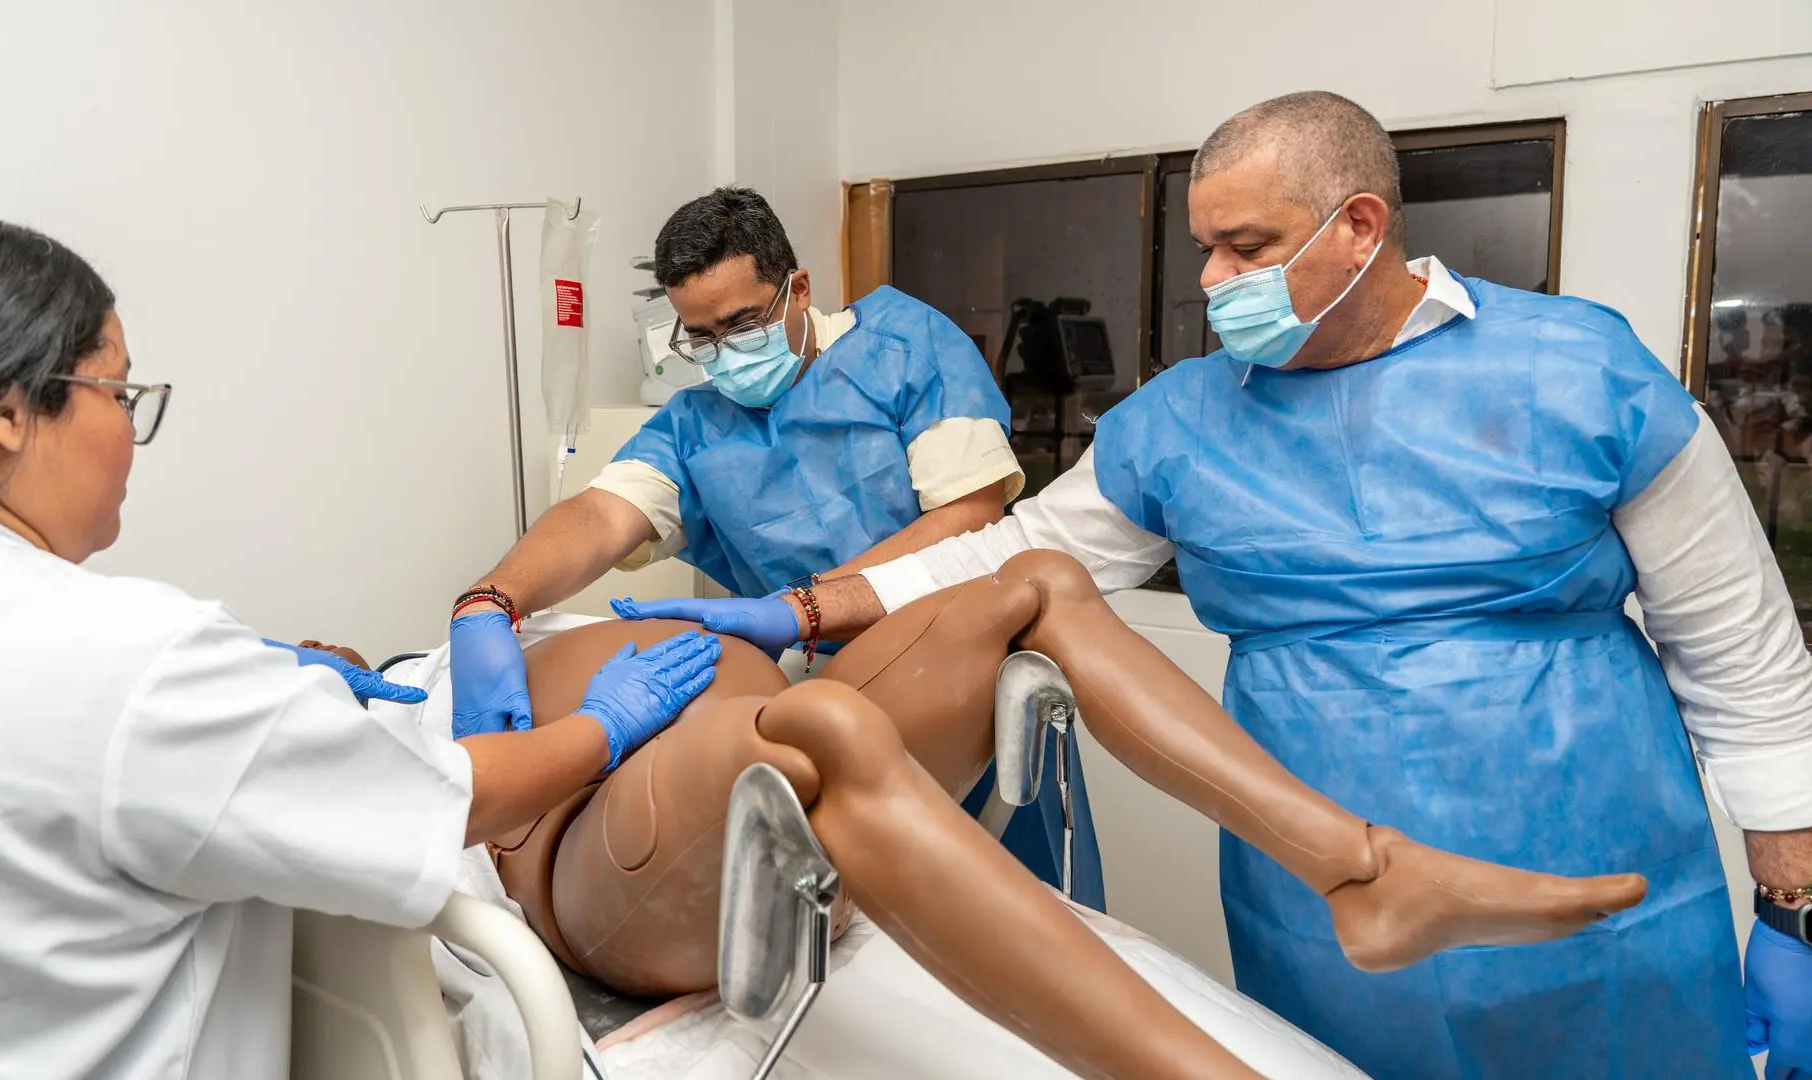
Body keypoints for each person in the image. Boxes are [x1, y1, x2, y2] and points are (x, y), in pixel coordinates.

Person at [616, 92, 1812, 1080]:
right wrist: (807, 610)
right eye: (1204, 245)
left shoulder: (1578, 368)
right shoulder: (1184, 421)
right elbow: (1017, 555)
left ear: (1358, 227)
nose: (1211, 276)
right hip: (1318, 868)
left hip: (1586, 837)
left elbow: (1735, 636)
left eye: (1248, 248)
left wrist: (1795, 902)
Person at [0, 209, 722, 1080]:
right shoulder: (132, 663)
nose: (131, 431)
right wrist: (604, 724)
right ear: (6, 412)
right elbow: (462, 801)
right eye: (120, 394)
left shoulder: (105, 659)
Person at [340, 556, 1644, 1079]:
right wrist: (549, 720)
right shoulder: (391, 704)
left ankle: (1359, 870)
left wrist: (498, 594)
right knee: (829, 736)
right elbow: (473, 819)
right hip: (606, 819)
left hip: (757, 703)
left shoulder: (518, 613)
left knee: (1039, 586)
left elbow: (557, 539)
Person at [449, 185, 1104, 906]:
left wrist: (803, 607)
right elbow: (602, 516)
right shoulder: (694, 422)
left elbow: (970, 516)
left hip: (963, 681)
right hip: (827, 693)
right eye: (701, 335)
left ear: (798, 288)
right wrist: (489, 600)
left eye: (741, 322)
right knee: (867, 929)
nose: (724, 352)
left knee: (1016, 912)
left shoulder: (904, 347)